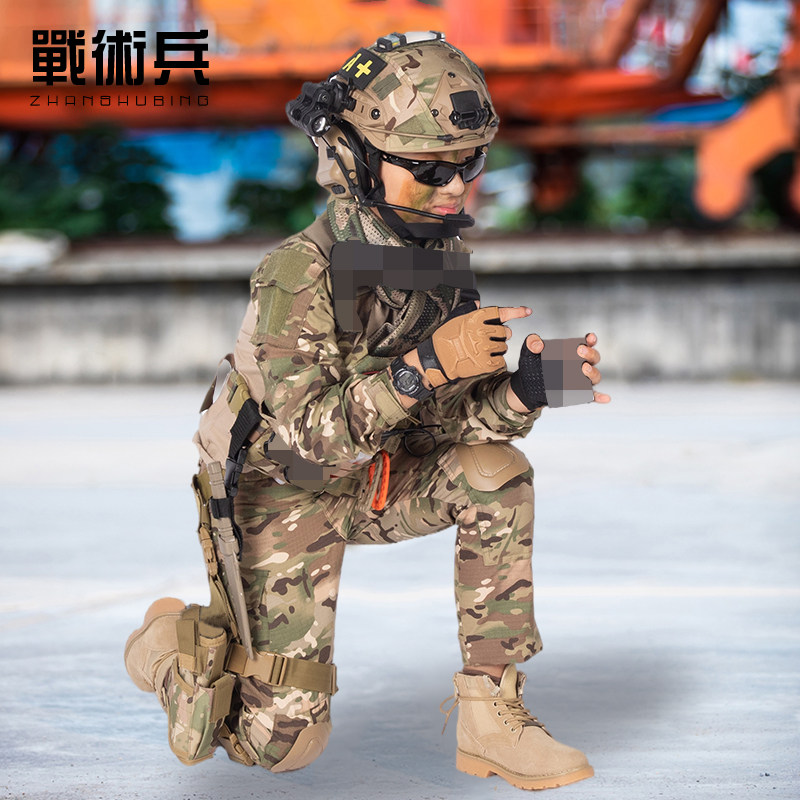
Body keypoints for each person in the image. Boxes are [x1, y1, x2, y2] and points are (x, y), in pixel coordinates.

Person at [124, 30, 609, 791]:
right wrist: (426, 366)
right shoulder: (298, 272)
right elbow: (303, 442)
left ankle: (491, 717)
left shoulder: (438, 261)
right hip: (283, 489)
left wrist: (523, 391)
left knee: (496, 472)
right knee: (278, 744)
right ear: (355, 158)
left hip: (378, 475)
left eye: (469, 164)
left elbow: (443, 428)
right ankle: (169, 647)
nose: (454, 188)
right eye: (429, 168)